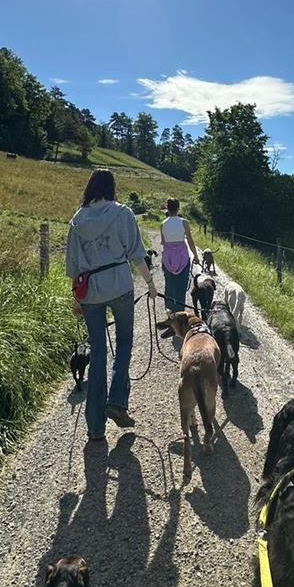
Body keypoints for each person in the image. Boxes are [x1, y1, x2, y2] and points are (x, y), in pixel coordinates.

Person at [66, 169, 157, 441]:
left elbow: (72, 265)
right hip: (119, 285)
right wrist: (150, 284)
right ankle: (116, 400)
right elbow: (137, 255)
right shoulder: (123, 213)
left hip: (90, 292)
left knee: (97, 353)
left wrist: (76, 299)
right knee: (125, 342)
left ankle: (95, 427)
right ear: (111, 188)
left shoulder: (77, 221)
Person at [160, 197, 200, 312]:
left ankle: (169, 309)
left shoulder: (163, 224)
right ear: (178, 208)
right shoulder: (184, 222)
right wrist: (196, 256)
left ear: (167, 208)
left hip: (168, 258)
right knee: (181, 285)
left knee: (169, 284)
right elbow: (190, 241)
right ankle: (180, 311)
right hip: (182, 256)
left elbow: (163, 242)